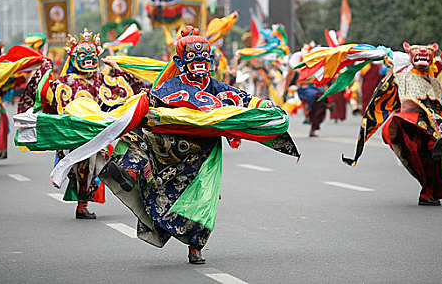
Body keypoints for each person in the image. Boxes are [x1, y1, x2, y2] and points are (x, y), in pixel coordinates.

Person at [99, 26, 300, 264]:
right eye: (193, 57)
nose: (200, 62)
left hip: (203, 152)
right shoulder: (172, 85)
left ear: (211, 59)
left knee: (203, 198)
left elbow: (242, 98)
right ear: (180, 60)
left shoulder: (216, 87)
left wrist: (263, 105)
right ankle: (130, 171)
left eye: (204, 56)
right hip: (172, 145)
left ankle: (196, 247)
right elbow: (151, 99)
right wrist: (122, 112)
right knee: (137, 137)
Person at [17, 28, 146, 219]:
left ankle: (109, 180)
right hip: (73, 133)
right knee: (83, 169)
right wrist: (44, 70)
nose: (88, 59)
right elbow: (46, 98)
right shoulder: (64, 82)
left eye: (92, 55)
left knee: (100, 161)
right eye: (83, 55)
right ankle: (83, 203)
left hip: (95, 131)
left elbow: (138, 89)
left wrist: (117, 69)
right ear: (74, 58)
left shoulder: (101, 80)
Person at [341, 42, 442, 206]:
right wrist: (390, 64)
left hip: (433, 124)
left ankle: (428, 192)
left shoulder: (435, 83)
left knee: (432, 162)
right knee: (422, 146)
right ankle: (434, 153)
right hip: (410, 122)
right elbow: (390, 92)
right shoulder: (402, 76)